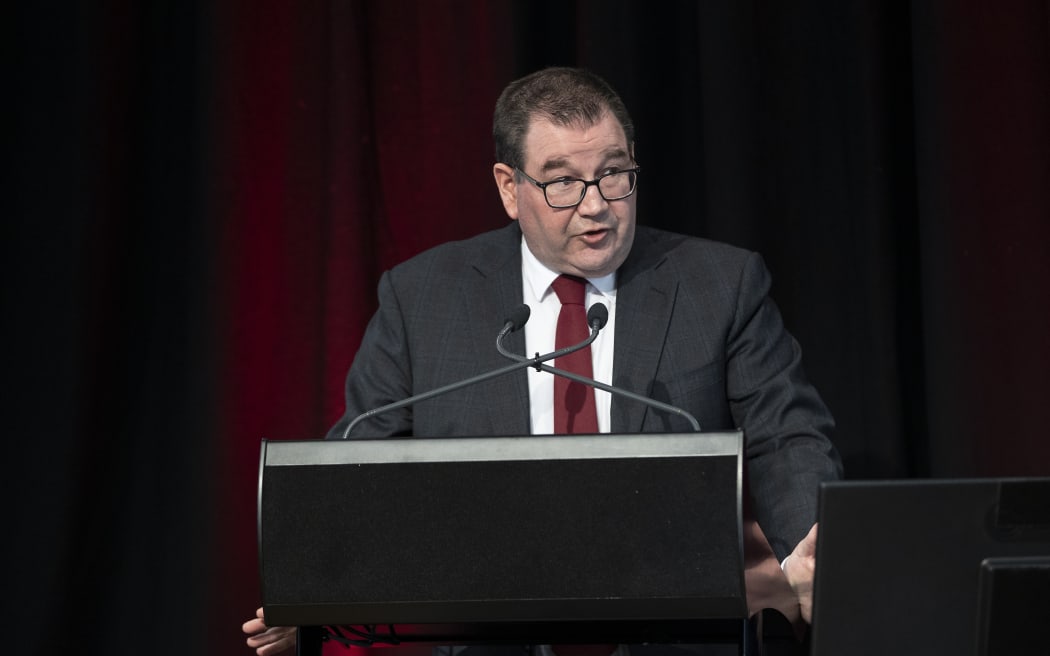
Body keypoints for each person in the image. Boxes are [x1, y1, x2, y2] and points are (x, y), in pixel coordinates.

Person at [244, 66, 842, 655]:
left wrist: (814, 549)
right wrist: (317, 591)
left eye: (614, 174)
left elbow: (784, 436)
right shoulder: (422, 298)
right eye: (563, 182)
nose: (596, 206)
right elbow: (359, 464)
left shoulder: (719, 284)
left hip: (676, 636)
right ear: (510, 188)